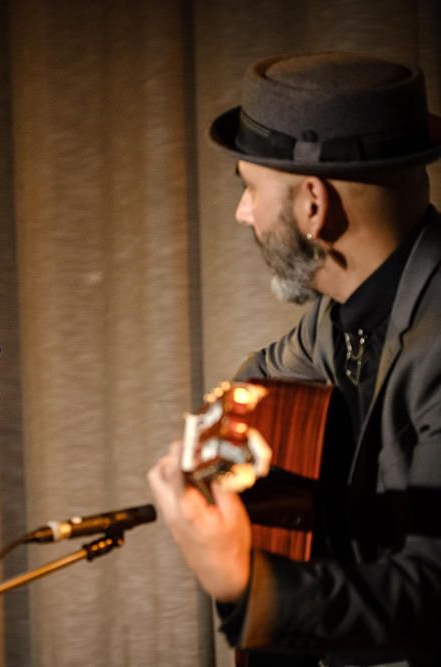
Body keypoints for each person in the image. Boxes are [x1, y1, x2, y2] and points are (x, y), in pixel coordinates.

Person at [148, 52, 441, 666]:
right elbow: (259, 381)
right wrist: (216, 446)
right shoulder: (338, 315)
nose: (243, 212)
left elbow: (433, 593)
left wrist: (246, 581)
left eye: (251, 189)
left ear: (314, 204)